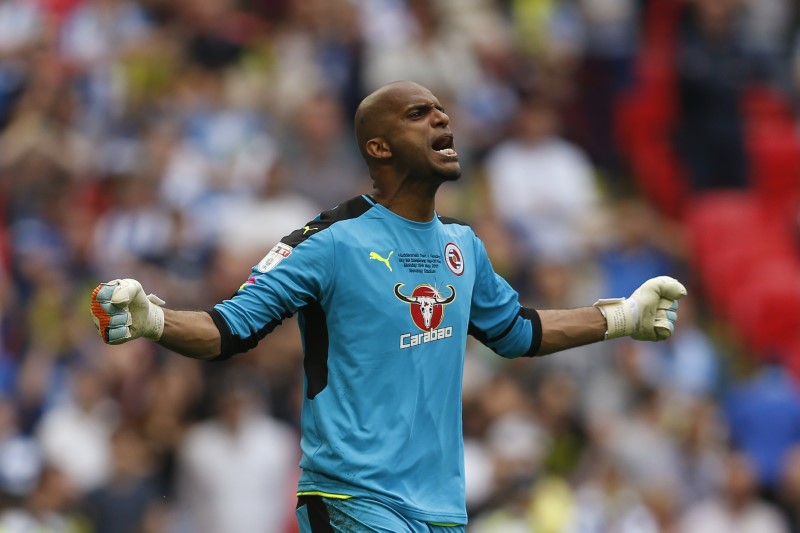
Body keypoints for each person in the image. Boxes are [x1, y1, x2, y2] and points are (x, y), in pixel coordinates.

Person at [89, 80, 686, 532]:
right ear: (379, 146)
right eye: (418, 114)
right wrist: (154, 320)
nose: (441, 119)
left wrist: (622, 317)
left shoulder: (463, 246)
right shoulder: (328, 241)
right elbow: (229, 328)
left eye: (441, 112)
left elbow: (515, 329)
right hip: (352, 498)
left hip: (441, 506)